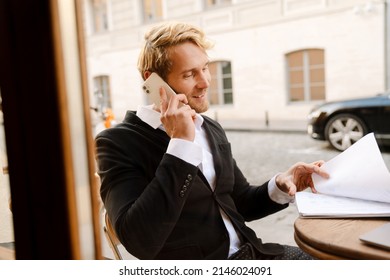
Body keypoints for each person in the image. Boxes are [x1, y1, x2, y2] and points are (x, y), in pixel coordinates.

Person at [95, 22, 329, 260]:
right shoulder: (117, 142)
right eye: (189, 74)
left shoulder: (209, 127)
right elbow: (139, 240)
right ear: (154, 82)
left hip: (255, 254)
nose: (205, 82)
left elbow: (239, 202)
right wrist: (181, 145)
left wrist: (280, 184)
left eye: (205, 68)